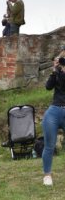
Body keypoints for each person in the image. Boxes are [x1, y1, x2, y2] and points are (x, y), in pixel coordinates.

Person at [41, 55, 65, 186]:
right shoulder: (57, 73)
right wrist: (54, 70)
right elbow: (48, 87)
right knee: (49, 145)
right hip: (54, 111)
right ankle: (47, 175)